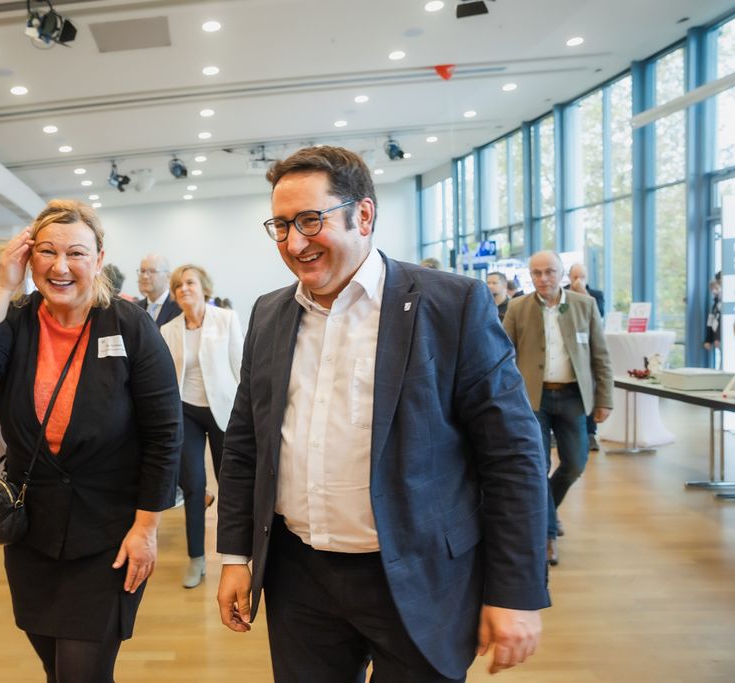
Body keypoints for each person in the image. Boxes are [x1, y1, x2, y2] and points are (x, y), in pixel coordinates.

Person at [216, 146, 548, 681]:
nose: (294, 243)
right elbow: (245, 444)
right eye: (280, 226)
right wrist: (235, 556)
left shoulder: (452, 305)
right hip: (299, 577)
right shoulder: (269, 313)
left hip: (420, 576)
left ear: (363, 215)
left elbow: (512, 456)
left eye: (309, 221)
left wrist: (514, 590)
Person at [0, 199, 182, 682]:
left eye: (76, 253)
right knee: (55, 669)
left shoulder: (130, 326)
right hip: (33, 532)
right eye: (46, 252)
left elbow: (165, 433)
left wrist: (147, 528)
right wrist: (6, 285)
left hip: (108, 536)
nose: (61, 266)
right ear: (29, 259)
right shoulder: (17, 320)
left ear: (98, 257)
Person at [503, 251, 614, 567]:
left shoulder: (584, 305)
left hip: (572, 398)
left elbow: (600, 356)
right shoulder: (517, 307)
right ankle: (547, 534)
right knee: (536, 466)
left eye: (549, 272)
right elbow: (502, 354)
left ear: (561, 273)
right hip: (531, 400)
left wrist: (605, 398)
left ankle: (546, 506)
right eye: (536, 273)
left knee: (575, 463)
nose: (543, 279)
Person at [160, 264, 243, 589]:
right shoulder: (170, 330)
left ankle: (235, 553)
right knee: (193, 484)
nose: (184, 289)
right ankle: (196, 557)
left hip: (225, 411)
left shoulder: (226, 319)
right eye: (178, 285)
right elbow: (167, 380)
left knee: (231, 484)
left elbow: (240, 367)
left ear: (204, 287)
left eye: (190, 283)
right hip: (187, 412)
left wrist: (247, 414)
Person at [565, 263, 606, 451]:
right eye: (575, 276)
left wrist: (583, 294)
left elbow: (599, 314)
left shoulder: (595, 295)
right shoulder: (560, 295)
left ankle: (591, 434)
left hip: (586, 351)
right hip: (565, 352)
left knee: (587, 392)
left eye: (581, 276)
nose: (578, 280)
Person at [136, 253, 181, 327]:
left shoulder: (179, 307)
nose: (145, 276)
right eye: (142, 271)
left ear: (168, 276)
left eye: (152, 271)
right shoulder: (136, 308)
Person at [704, 278, 721, 360]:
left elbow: (721, 323)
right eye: (712, 289)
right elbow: (710, 323)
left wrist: (718, 338)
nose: (714, 291)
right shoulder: (714, 305)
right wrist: (708, 340)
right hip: (716, 339)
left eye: (716, 288)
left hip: (721, 339)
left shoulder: (723, 305)